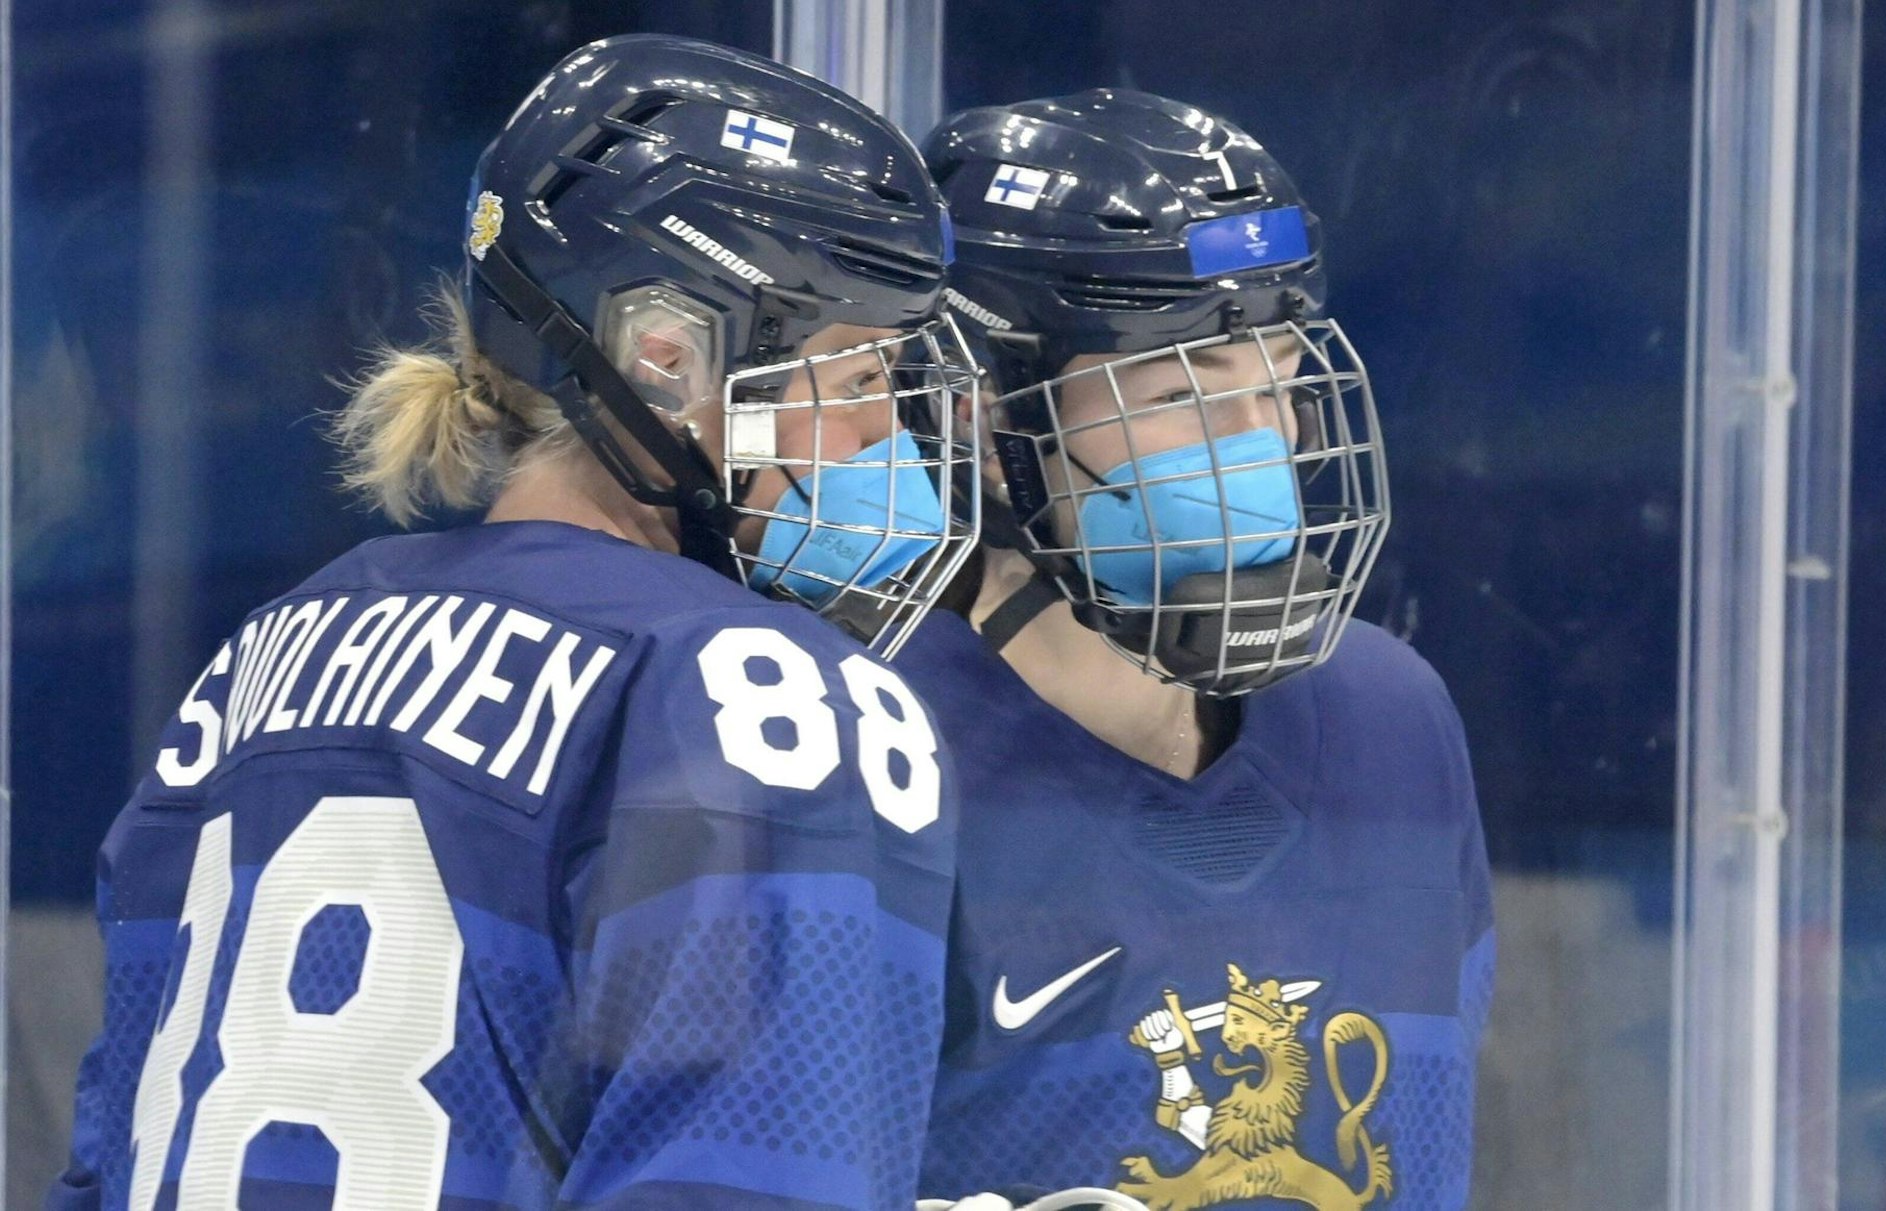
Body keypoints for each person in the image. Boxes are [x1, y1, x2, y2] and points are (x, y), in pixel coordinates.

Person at [51, 35, 977, 1211]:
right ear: (666, 355)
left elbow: (104, 1163)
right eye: (856, 382)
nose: (887, 444)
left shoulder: (265, 655)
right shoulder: (762, 693)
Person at [901, 92, 1495, 1211]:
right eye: (1180, 392)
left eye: (1276, 378)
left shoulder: (1391, 718)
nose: (1259, 446)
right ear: (978, 420)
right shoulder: (861, 753)